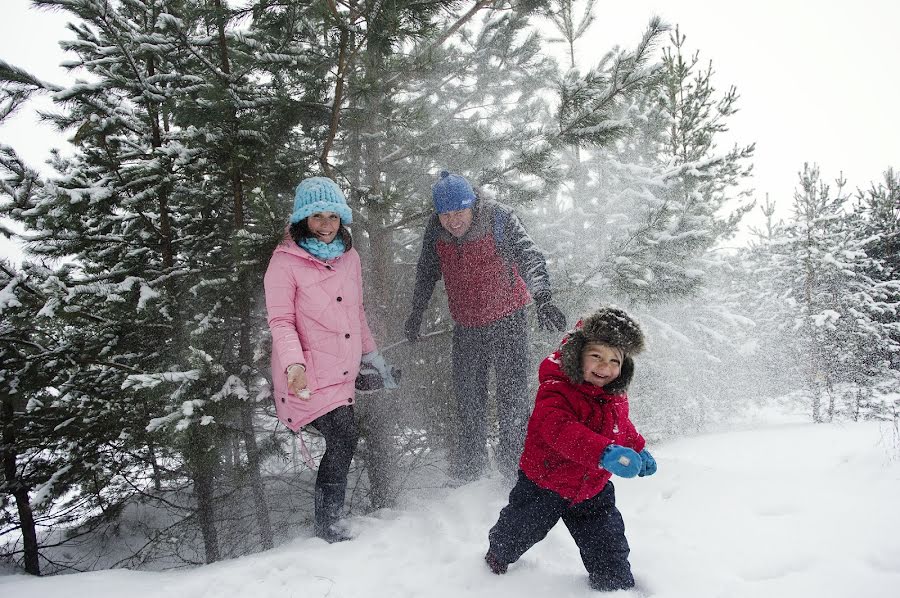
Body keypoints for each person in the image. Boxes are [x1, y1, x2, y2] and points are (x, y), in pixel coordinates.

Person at [404, 170, 567, 480]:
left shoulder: (499, 218)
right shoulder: (435, 232)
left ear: (473, 205)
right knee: (468, 400)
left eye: (459, 212)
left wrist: (543, 298)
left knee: (512, 399)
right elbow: (426, 272)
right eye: (445, 215)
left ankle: (515, 470)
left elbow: (529, 256)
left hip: (509, 319)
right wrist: (416, 313)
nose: (452, 221)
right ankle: (471, 472)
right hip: (467, 326)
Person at [484, 307, 657, 592]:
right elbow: (560, 430)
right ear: (578, 354)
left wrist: (638, 448)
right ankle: (495, 557)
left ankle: (613, 585)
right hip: (545, 483)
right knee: (520, 530)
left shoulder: (614, 394)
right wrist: (603, 453)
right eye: (596, 356)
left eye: (615, 361)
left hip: (592, 487)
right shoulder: (556, 388)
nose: (605, 367)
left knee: (607, 543)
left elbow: (621, 425)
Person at [264, 176, 397, 543]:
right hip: (306, 374)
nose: (326, 225)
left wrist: (372, 359)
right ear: (303, 219)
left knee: (346, 440)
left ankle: (334, 522)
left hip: (343, 371)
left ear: (342, 219)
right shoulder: (284, 262)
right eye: (317, 216)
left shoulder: (349, 258)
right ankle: (329, 526)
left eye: (333, 217)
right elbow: (281, 321)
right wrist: (295, 365)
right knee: (343, 435)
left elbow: (357, 311)